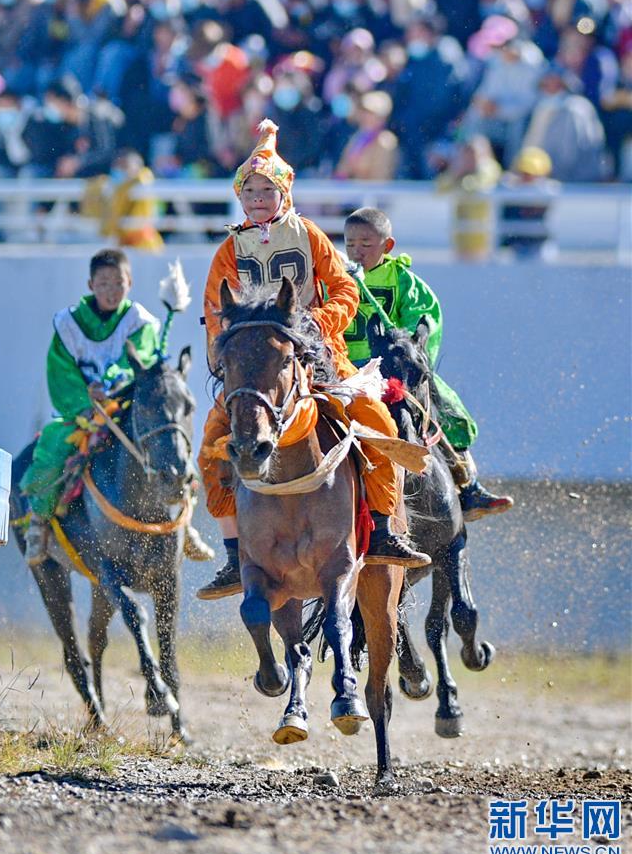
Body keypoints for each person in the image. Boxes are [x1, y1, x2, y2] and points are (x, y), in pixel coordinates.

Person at [196, 120, 431, 600]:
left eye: (267, 189)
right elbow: (213, 311)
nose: (258, 197)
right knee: (211, 444)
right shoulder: (228, 249)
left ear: (283, 192)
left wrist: (316, 326)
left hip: (321, 356)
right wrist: (227, 358)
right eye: (250, 190)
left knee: (378, 421)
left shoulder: (308, 234)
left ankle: (385, 530)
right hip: (258, 371)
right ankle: (233, 552)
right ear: (239, 197)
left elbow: (345, 288)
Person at [20, 248, 209, 566]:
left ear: (130, 283)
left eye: (118, 283)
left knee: (167, 440)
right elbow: (60, 371)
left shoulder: (139, 321)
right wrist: (85, 399)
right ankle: (40, 521)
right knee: (51, 447)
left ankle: (184, 521)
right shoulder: (68, 325)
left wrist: (109, 386)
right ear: (90, 284)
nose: (111, 290)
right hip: (83, 410)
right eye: (103, 283)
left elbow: (141, 359)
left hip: (125, 404)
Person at [342, 207, 513, 522]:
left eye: (365, 244)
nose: (356, 251)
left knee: (446, 405)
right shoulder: (336, 277)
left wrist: (408, 345)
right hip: (342, 368)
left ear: (387, 246)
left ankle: (467, 484)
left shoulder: (403, 280)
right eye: (350, 243)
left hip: (391, 371)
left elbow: (424, 320)